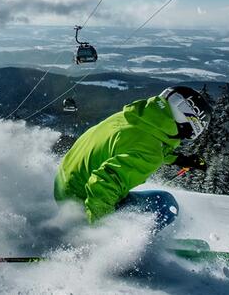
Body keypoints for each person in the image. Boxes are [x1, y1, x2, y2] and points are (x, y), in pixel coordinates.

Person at [54, 86, 212, 232]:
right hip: (83, 202)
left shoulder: (133, 117)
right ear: (187, 121)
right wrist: (100, 236)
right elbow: (102, 187)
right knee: (165, 204)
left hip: (65, 186)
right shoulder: (150, 152)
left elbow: (135, 145)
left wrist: (179, 159)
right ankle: (137, 249)